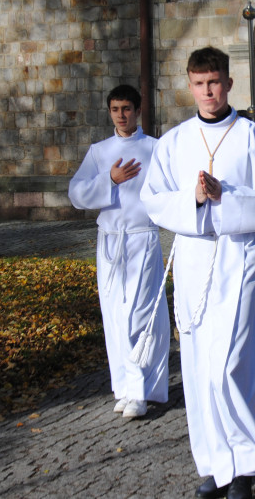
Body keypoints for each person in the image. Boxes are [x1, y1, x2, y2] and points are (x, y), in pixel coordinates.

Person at [140, 47, 255, 499]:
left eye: (216, 82)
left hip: (239, 259)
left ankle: (243, 467)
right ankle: (216, 465)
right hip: (192, 262)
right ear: (190, 86)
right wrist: (196, 200)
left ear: (228, 82)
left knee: (230, 366)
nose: (208, 91)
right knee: (201, 369)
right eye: (200, 83)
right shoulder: (174, 142)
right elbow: (154, 199)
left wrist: (226, 196)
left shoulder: (254, 138)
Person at [67, 84, 168, 420]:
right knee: (114, 317)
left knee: (138, 315)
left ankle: (140, 391)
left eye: (126, 108)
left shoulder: (155, 148)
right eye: (115, 109)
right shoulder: (100, 152)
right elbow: (77, 193)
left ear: (138, 110)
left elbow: (170, 189)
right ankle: (125, 387)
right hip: (110, 243)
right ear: (109, 112)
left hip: (141, 239)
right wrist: (108, 180)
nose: (121, 115)